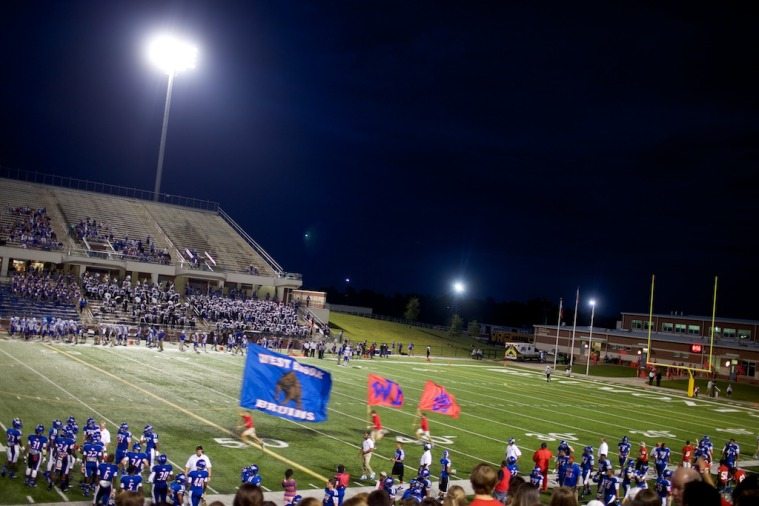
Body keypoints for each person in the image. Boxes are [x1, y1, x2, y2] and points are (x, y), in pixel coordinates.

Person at [24, 423, 47, 488]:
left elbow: (28, 446)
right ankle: (31, 482)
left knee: (29, 467)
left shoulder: (31, 436)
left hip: (31, 453)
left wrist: (25, 454)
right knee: (35, 469)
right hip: (37, 454)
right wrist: (44, 457)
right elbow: (44, 449)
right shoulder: (44, 439)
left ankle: (26, 480)